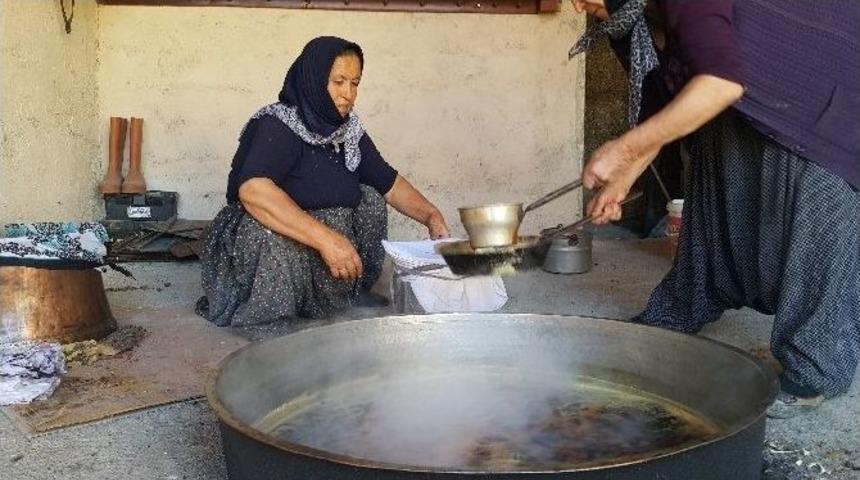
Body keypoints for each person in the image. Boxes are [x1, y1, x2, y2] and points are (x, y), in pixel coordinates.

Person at [571, 0, 859, 418]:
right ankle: (685, 304)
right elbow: (665, 108)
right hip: (749, 94)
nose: (578, 4)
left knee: (814, 208)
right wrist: (621, 180)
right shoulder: (632, 20)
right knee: (717, 173)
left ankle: (817, 367)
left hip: (823, 92)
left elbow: (720, 84)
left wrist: (624, 149)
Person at [196, 36, 449, 327]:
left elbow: (389, 183)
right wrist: (327, 239)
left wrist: (431, 215)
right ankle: (271, 319)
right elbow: (253, 190)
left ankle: (348, 296)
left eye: (354, 83)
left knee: (370, 199)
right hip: (272, 242)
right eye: (338, 81)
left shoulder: (348, 130)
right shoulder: (277, 125)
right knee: (264, 232)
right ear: (314, 80)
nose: (348, 94)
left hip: (322, 245)